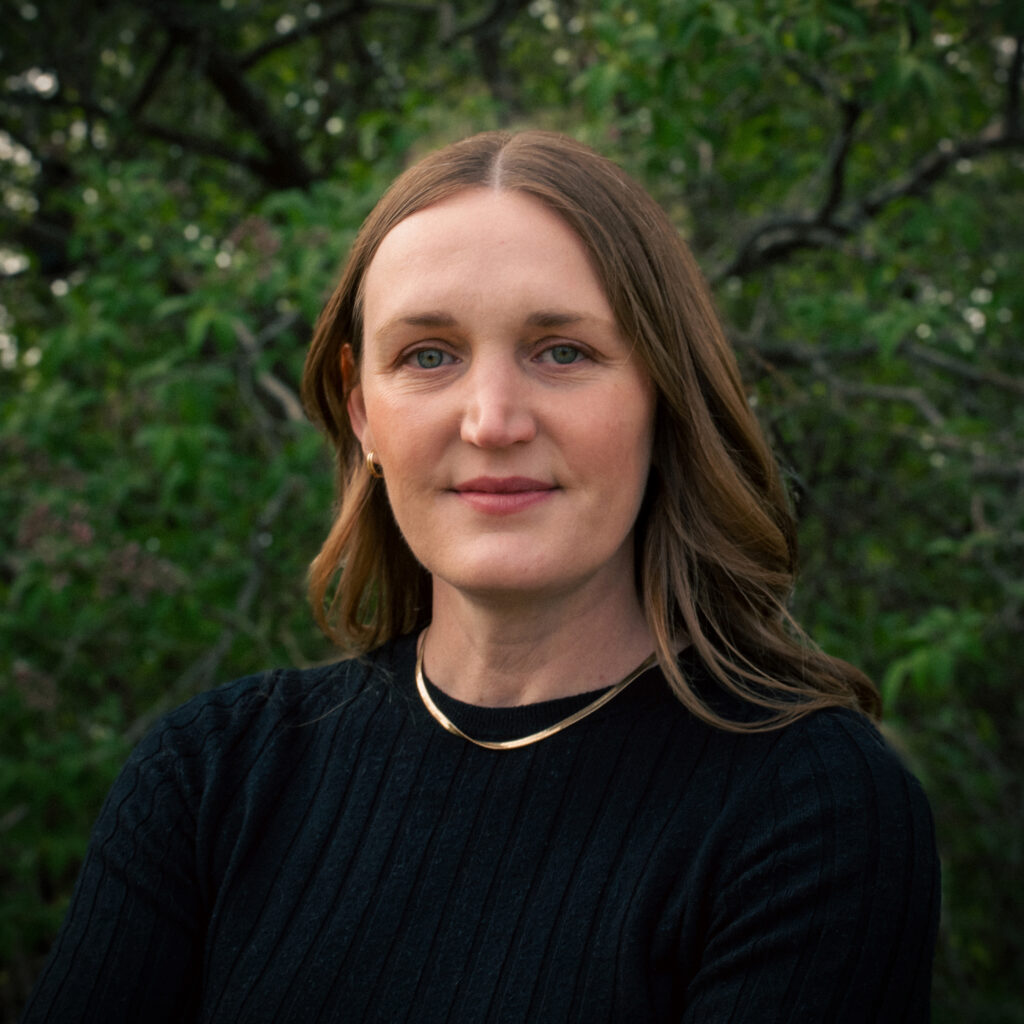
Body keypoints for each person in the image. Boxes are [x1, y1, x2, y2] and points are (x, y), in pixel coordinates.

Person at [22, 130, 939, 1023]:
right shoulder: (209, 778)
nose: (492, 420)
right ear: (363, 412)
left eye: (562, 352)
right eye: (429, 355)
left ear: (664, 394)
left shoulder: (809, 809)